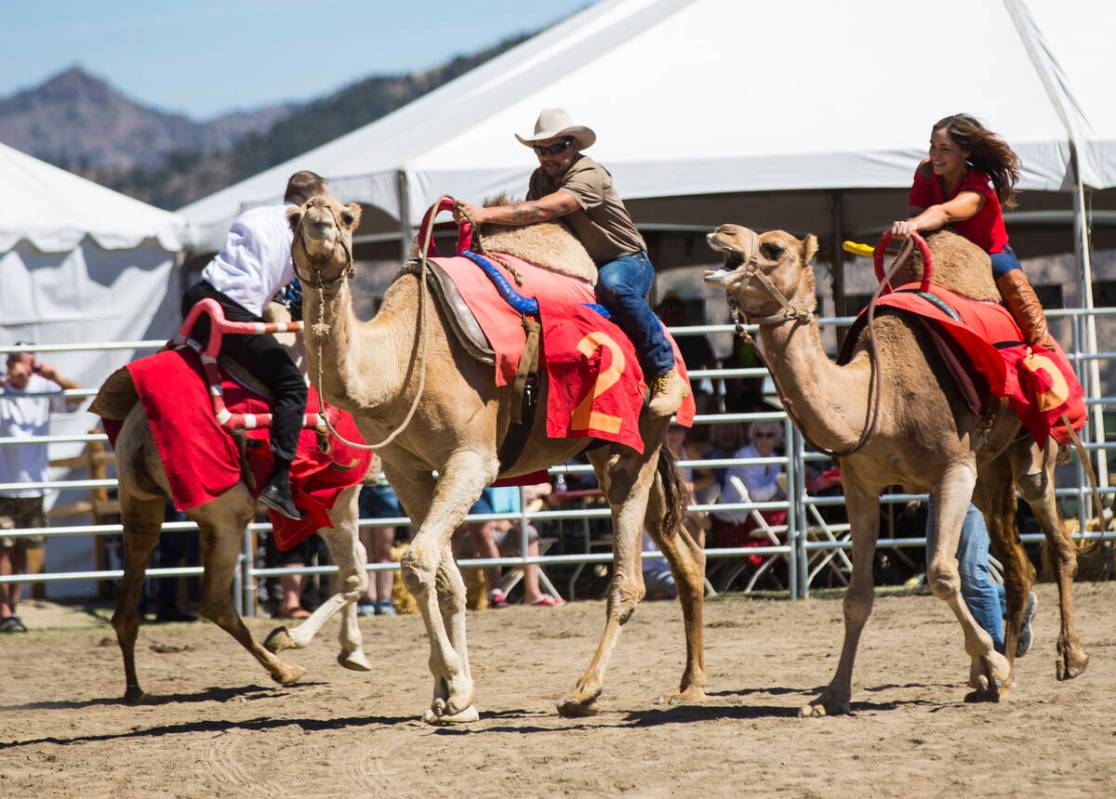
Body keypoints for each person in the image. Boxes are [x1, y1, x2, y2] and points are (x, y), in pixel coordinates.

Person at [453, 107, 687, 416]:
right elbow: (534, 223)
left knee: (614, 286)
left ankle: (664, 370)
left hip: (624, 260)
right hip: (578, 265)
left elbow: (541, 211)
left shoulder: (589, 173)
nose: (548, 156)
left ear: (573, 146)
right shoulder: (540, 179)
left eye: (558, 147)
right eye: (541, 149)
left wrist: (484, 214)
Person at [181, 170, 329, 521]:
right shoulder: (302, 231)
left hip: (199, 297)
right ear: (314, 202)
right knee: (291, 385)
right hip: (232, 312)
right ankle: (279, 481)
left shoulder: (253, 214)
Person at [889, 113, 1049, 346]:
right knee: (895, 278)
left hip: (988, 251)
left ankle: (1041, 350)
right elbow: (916, 209)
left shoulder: (977, 188)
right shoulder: (925, 171)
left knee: (1020, 294)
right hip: (939, 245)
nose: (936, 155)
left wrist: (913, 224)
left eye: (945, 149)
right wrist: (911, 225)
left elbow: (943, 212)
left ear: (965, 152)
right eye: (933, 147)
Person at [0, 344, 81, 633]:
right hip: (3, 487)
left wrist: (54, 376)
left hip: (34, 486)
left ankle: (14, 608)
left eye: (28, 364)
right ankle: (5, 611)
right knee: (3, 552)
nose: (23, 369)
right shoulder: (2, 388)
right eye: (17, 362)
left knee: (23, 550)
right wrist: (7, 381)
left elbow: (80, 397)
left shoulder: (42, 388)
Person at [927, 502, 1038, 658]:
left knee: (971, 574)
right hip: (939, 497)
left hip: (972, 495)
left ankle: (995, 659)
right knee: (939, 574)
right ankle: (1015, 601)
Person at [462, 485, 561, 608]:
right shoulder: (471, 485)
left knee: (529, 533)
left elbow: (546, 488)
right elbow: (470, 523)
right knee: (484, 532)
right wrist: (498, 522)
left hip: (501, 531)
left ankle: (533, 594)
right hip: (471, 538)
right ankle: (495, 594)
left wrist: (534, 492)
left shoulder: (508, 483)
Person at [712, 420, 787, 566]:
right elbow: (756, 496)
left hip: (758, 515)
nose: (764, 440)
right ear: (753, 437)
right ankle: (783, 564)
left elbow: (772, 494)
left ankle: (784, 566)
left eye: (769, 435)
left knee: (792, 513)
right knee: (789, 515)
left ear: (776, 438)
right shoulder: (744, 455)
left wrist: (778, 490)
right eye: (759, 435)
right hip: (737, 518)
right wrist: (779, 483)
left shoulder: (774, 458)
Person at [357, 465, 403, 617]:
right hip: (359, 486)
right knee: (365, 550)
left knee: (384, 549)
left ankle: (385, 599)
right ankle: (368, 599)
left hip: (385, 486)